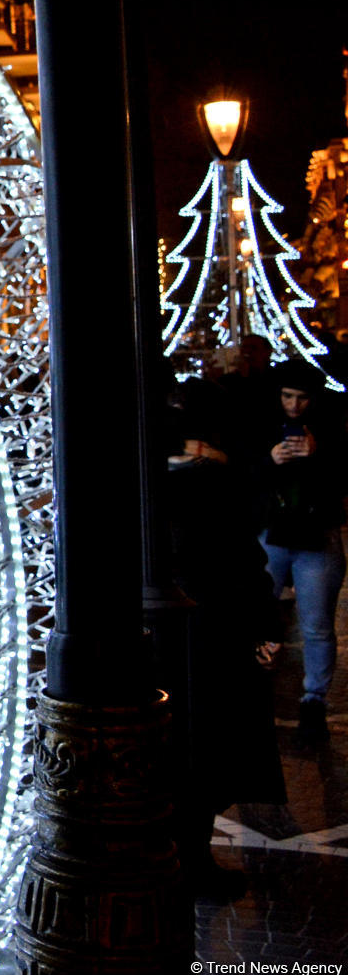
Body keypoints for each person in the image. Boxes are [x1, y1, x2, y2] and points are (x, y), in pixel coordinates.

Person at [164, 380, 286, 894]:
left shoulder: (149, 486)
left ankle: (183, 856)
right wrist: (266, 628)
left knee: (184, 751)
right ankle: (192, 859)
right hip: (213, 633)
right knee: (207, 751)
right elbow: (246, 562)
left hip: (171, 637)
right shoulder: (214, 484)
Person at [255, 361, 346, 746]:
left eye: (302, 398)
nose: (294, 405)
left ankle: (314, 702)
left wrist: (317, 454)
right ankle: (257, 690)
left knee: (317, 624)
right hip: (273, 533)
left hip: (316, 535)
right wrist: (270, 460)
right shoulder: (262, 425)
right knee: (256, 616)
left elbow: (340, 478)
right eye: (287, 396)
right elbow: (245, 475)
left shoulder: (330, 428)